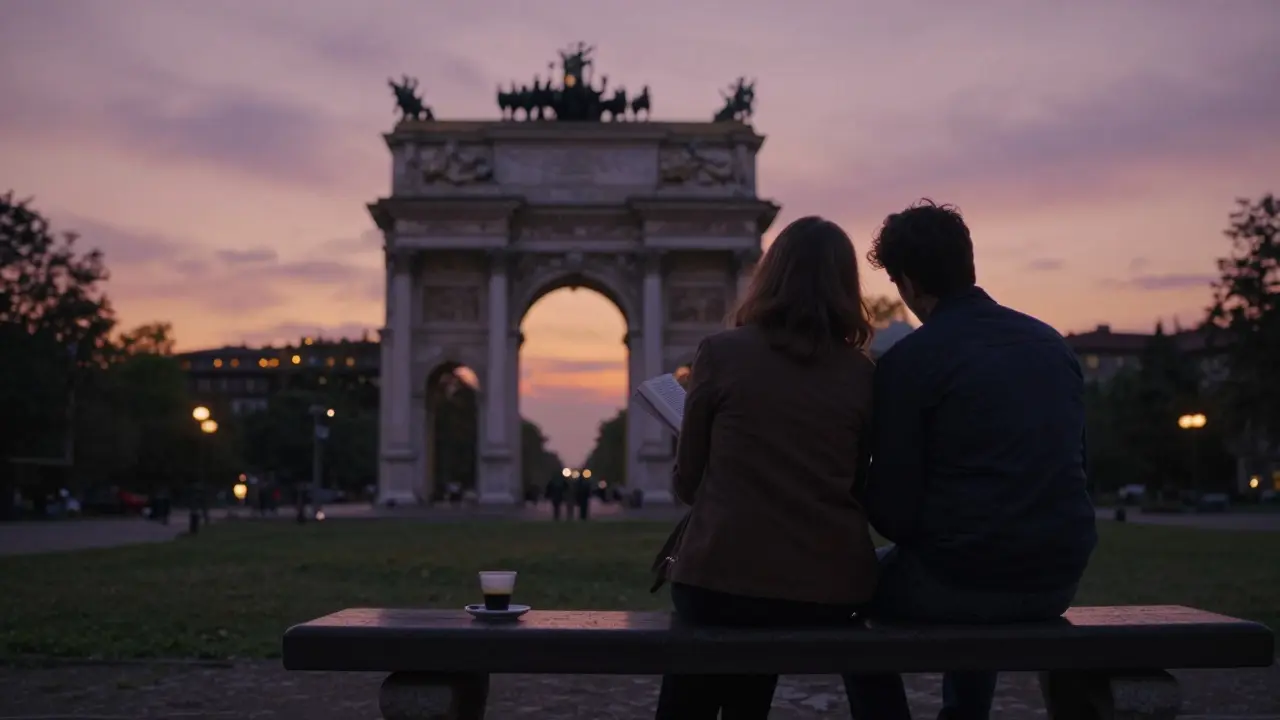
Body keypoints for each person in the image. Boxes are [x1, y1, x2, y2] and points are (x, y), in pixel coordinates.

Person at [848, 199, 1098, 720]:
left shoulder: (912, 361)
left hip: (957, 582)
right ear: (968, 264)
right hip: (1056, 578)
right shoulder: (1051, 344)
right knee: (973, 541)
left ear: (909, 284)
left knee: (843, 595)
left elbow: (892, 513)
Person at [655, 216, 882, 719]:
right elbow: (861, 483)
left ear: (768, 275)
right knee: (755, 652)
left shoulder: (720, 353)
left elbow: (688, 486)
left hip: (722, 581)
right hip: (827, 586)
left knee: (692, 680)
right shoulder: (862, 374)